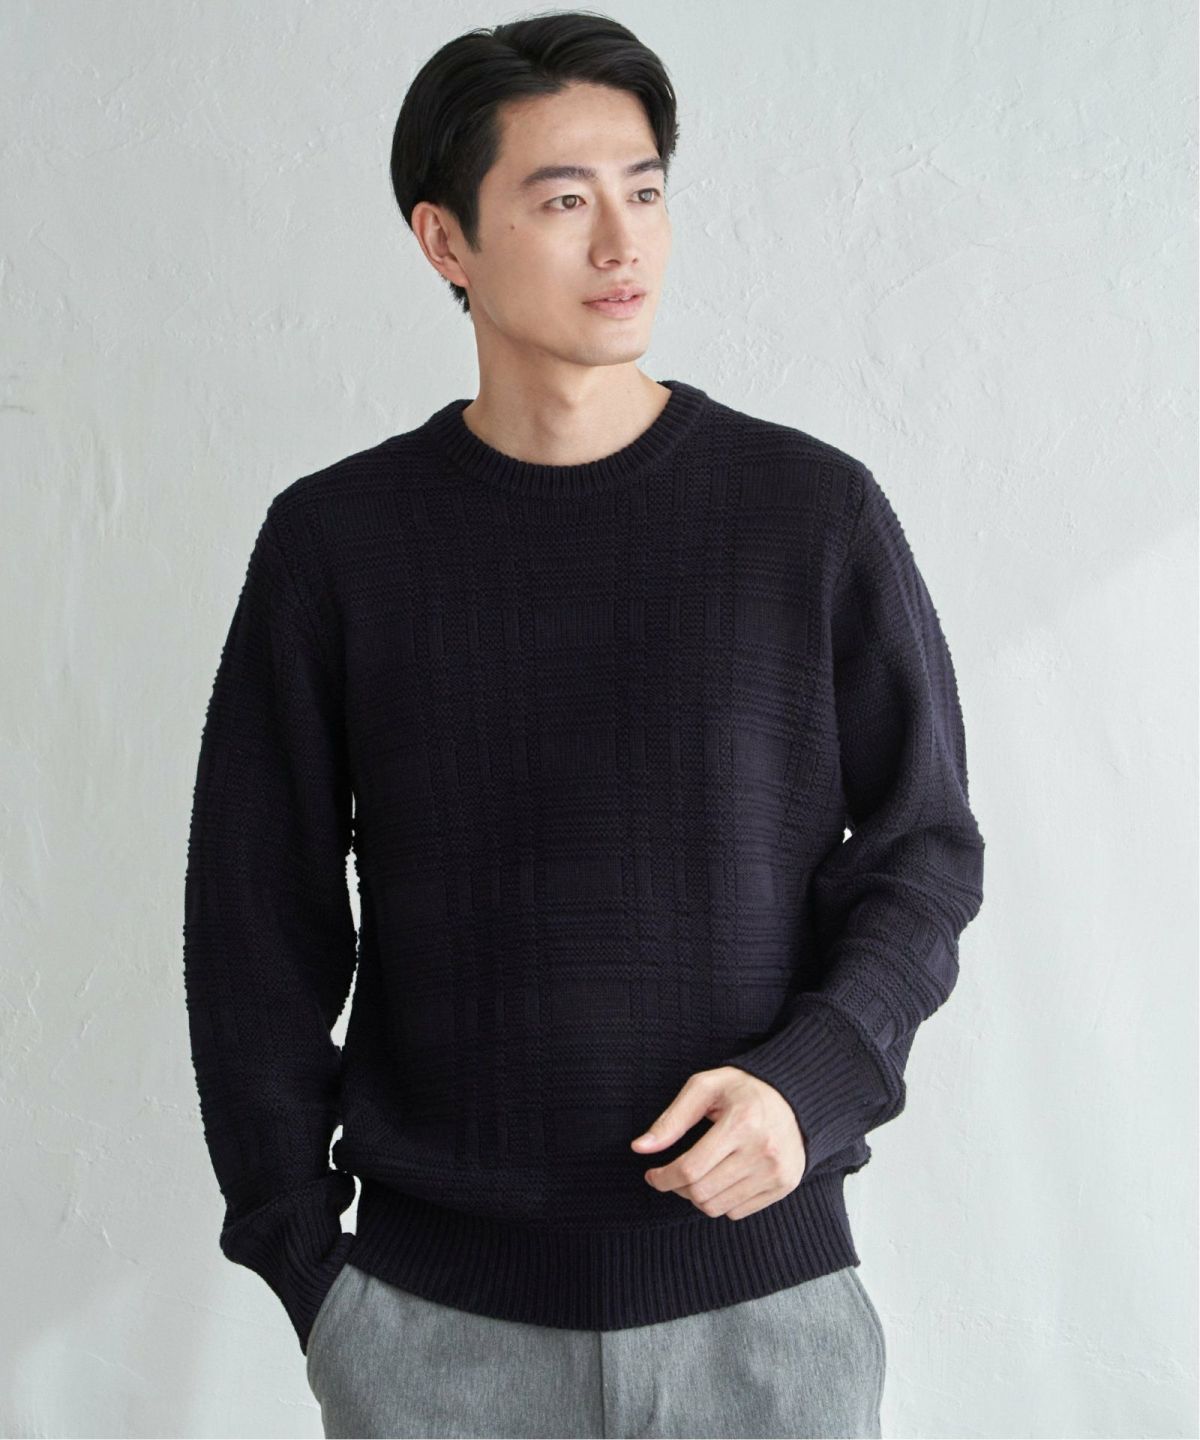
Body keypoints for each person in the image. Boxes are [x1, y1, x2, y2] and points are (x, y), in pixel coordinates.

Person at [182, 12, 985, 1438]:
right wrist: (308, 1268)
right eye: (564, 201)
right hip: (434, 1341)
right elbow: (255, 927)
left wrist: (812, 1086)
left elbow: (924, 852)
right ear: (445, 241)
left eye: (646, 190)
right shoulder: (339, 546)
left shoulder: (808, 517)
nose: (624, 243)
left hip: (763, 1321)